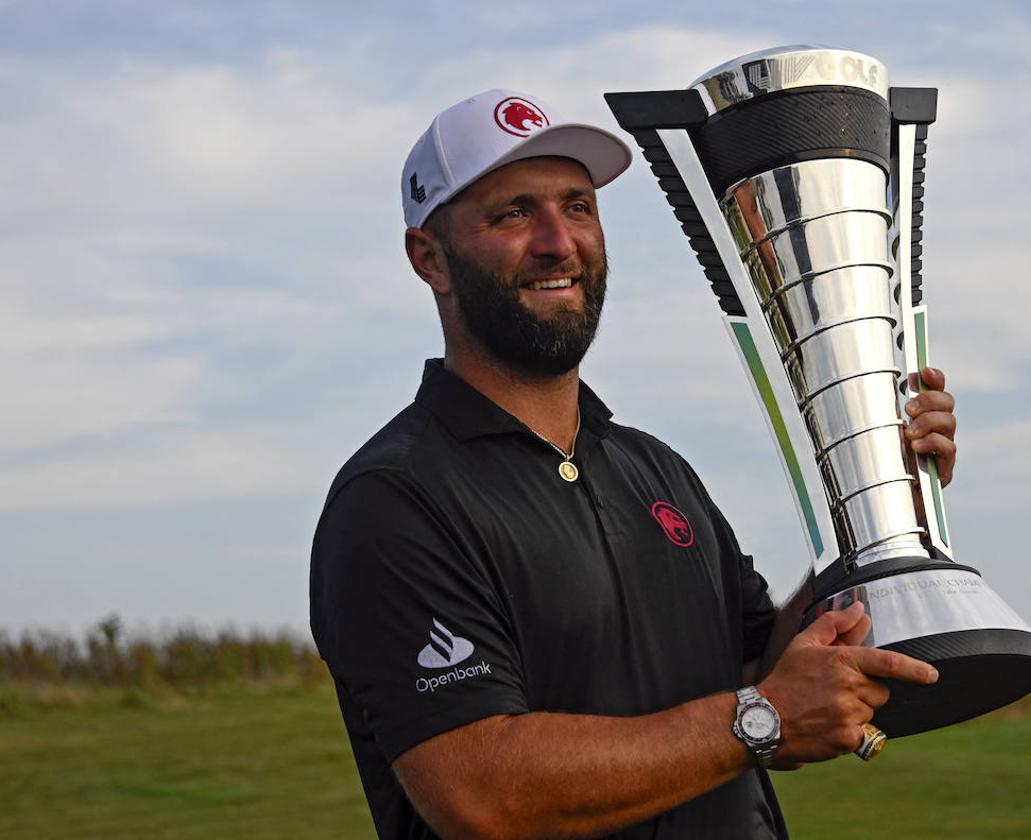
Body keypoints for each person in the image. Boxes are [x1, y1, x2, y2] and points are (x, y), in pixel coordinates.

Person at [310, 89, 958, 840]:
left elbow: (760, 676)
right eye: (513, 214)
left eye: (578, 206)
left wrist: (884, 496)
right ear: (431, 259)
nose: (559, 241)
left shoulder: (654, 469)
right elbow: (480, 792)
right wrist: (763, 720)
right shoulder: (395, 499)